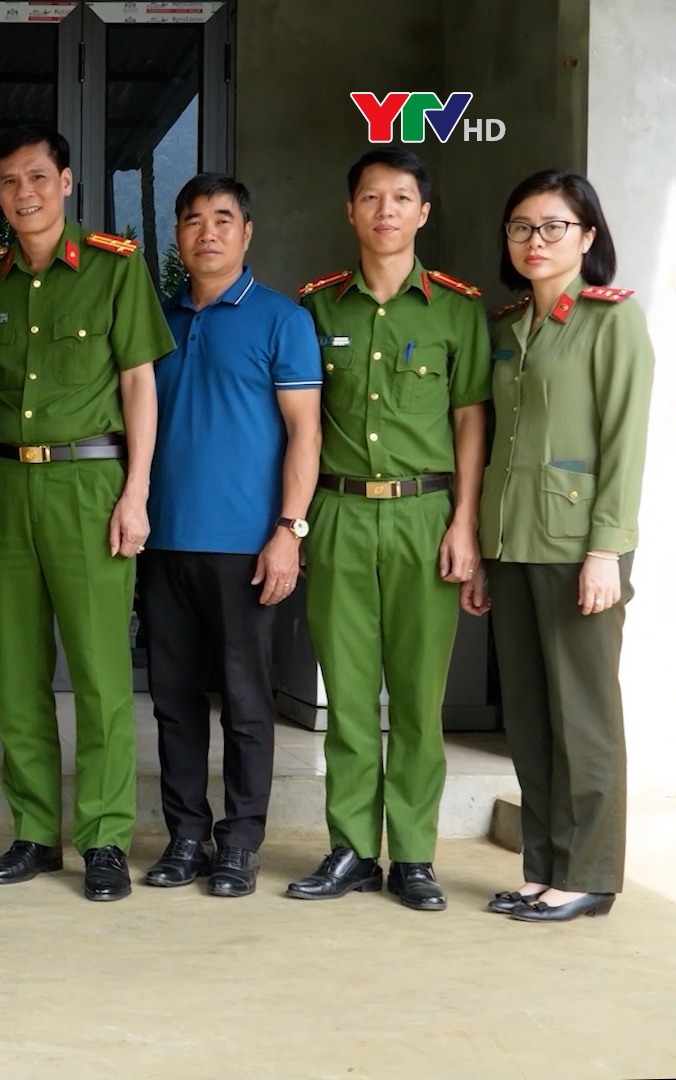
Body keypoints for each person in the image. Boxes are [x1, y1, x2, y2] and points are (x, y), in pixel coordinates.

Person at [0, 126, 173, 902]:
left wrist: (136, 492)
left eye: (37, 177)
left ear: (67, 182)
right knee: (18, 672)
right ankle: (35, 832)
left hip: (88, 484)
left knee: (102, 672)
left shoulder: (114, 267)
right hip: (5, 487)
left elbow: (139, 383)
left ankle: (104, 837)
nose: (24, 194)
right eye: (9, 182)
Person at [285, 149, 490, 912]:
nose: (385, 211)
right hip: (337, 512)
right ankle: (348, 850)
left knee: (415, 697)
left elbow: (471, 419)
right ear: (350, 212)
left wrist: (464, 522)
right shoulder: (316, 308)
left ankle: (412, 855)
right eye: (370, 197)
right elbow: (298, 425)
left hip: (424, 512)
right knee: (345, 690)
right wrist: (297, 525)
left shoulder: (456, 309)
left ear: (423, 212)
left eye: (401, 198)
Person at [462, 170, 652, 923]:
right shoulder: (507, 327)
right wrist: (481, 547)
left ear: (588, 237)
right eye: (521, 228)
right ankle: (544, 867)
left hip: (580, 550)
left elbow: (624, 442)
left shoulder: (612, 322)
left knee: (586, 716)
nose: (535, 241)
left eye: (553, 227)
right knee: (532, 720)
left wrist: (606, 551)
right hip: (513, 545)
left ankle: (591, 874)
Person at [138, 175, 321, 899]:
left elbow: (305, 434)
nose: (206, 232)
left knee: (247, 703)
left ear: (247, 233)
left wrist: (288, 531)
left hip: (249, 545)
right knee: (174, 701)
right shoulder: (157, 322)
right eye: (192, 221)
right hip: (164, 544)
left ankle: (240, 842)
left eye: (223, 219)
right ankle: (185, 835)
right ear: (177, 237)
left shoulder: (282, 320)